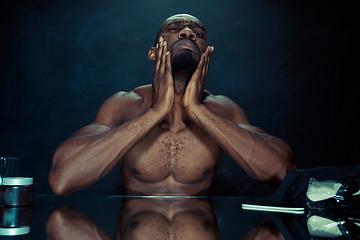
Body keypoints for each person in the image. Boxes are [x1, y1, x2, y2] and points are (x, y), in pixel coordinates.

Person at [49, 13, 296, 196]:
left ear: (204, 55)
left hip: (199, 227)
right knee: (62, 224)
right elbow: (62, 179)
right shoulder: (124, 104)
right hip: (136, 227)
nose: (188, 32)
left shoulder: (223, 109)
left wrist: (197, 110)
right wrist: (156, 112)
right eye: (175, 28)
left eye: (197, 34)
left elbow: (284, 172)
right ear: (153, 53)